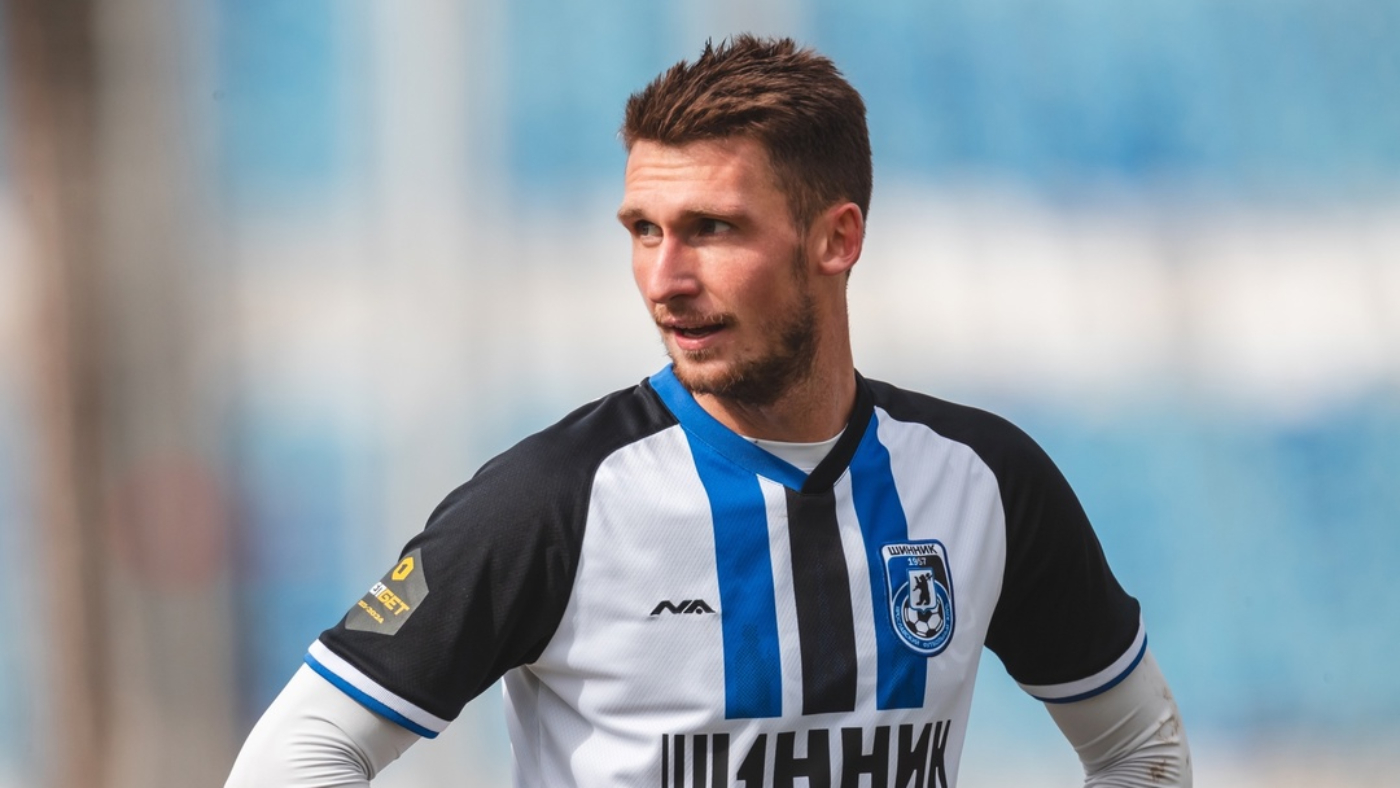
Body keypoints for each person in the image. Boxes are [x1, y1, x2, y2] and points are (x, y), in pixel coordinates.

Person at [226, 35, 1191, 788]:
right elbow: (297, 755)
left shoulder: (986, 482)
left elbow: (1140, 751)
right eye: (644, 231)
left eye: (712, 229)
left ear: (836, 239)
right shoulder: (552, 501)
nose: (665, 280)